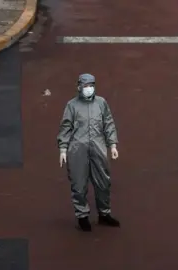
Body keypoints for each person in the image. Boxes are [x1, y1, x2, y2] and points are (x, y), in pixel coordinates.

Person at [57, 73, 121, 232]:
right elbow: (65, 128)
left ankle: (104, 213)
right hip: (78, 148)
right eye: (85, 86)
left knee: (103, 182)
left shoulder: (101, 103)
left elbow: (108, 123)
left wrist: (112, 144)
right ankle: (82, 216)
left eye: (91, 85)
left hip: (98, 146)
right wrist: (63, 149)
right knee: (78, 184)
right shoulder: (72, 105)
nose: (88, 89)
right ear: (79, 87)